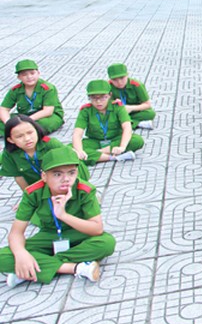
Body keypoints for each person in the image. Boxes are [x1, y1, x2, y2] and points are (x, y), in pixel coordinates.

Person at [0, 146, 116, 288]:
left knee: (106, 243)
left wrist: (63, 215)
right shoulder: (33, 193)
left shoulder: (84, 190)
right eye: (57, 174)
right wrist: (21, 254)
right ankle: (75, 268)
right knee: (3, 256)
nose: (66, 179)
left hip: (79, 234)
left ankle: (33, 269)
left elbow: (97, 229)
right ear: (44, 176)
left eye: (71, 173)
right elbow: (16, 233)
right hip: (50, 235)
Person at [2, 115, 90, 192]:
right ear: (11, 140)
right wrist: (29, 197)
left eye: (30, 133)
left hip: (66, 181)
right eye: (19, 136)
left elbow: (72, 167)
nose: (27, 138)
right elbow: (19, 177)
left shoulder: (50, 144)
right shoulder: (9, 153)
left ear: (36, 130)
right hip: (42, 188)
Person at [72, 80, 143, 165]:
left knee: (137, 140)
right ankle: (114, 157)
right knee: (70, 149)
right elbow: (77, 134)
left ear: (110, 95)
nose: (98, 102)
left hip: (115, 139)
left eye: (103, 97)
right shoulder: (85, 110)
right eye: (94, 98)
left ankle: (97, 154)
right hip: (96, 142)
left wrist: (122, 146)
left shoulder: (118, 107)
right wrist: (79, 151)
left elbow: (127, 127)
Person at [0, 59, 65, 134]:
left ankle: (17, 132)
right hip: (25, 116)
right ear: (19, 77)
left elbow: (48, 111)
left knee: (43, 124)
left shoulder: (48, 88)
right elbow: (3, 109)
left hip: (47, 117)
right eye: (24, 75)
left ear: (38, 73)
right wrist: (8, 123)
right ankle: (19, 130)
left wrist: (27, 121)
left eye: (32, 73)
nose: (29, 77)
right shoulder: (15, 90)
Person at [107, 63, 155, 130]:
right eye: (114, 80)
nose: (119, 82)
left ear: (127, 75)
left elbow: (147, 104)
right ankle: (137, 124)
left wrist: (131, 108)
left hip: (134, 111)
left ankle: (121, 124)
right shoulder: (107, 87)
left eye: (122, 78)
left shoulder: (136, 85)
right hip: (118, 112)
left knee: (150, 113)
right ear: (110, 79)